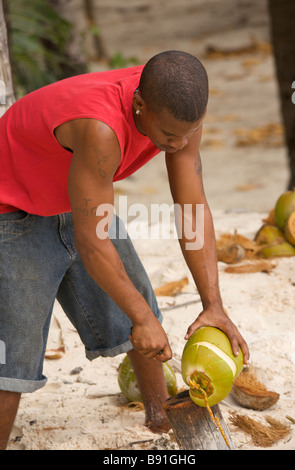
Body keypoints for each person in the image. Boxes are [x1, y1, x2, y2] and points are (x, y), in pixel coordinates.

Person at [0, 50, 249, 450]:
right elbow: (92, 242)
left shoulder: (180, 108)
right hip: (12, 204)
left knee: (140, 306)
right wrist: (141, 318)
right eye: (170, 135)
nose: (180, 143)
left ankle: (159, 415)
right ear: (139, 105)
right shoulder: (101, 129)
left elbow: (191, 207)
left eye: (190, 132)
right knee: (12, 356)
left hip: (75, 193)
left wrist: (212, 303)